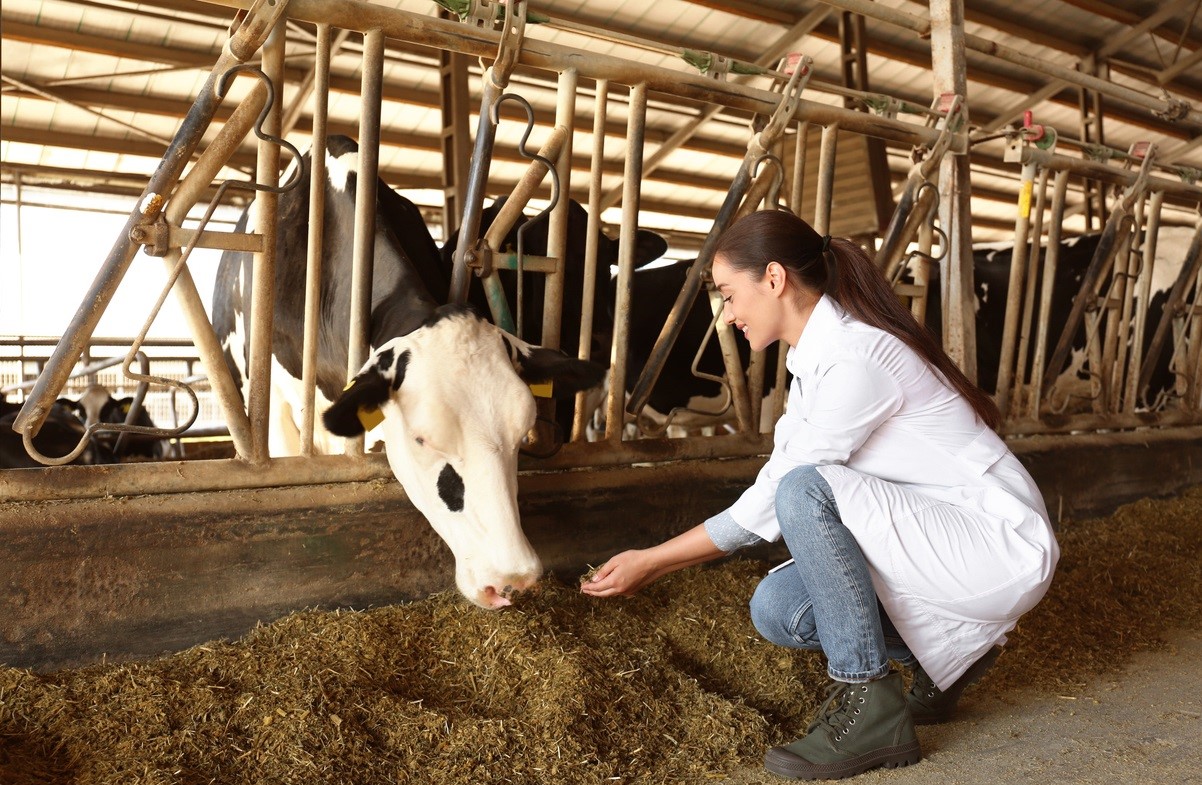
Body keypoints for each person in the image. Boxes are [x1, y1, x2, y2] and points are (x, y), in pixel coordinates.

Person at [580, 209, 1059, 780]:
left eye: (730, 295)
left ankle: (868, 701)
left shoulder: (856, 359)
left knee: (805, 491)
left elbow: (778, 496)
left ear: (775, 279)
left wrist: (655, 561)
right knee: (779, 609)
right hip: (939, 543)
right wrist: (658, 563)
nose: (727, 314)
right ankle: (953, 659)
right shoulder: (816, 362)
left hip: (994, 546)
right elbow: (769, 490)